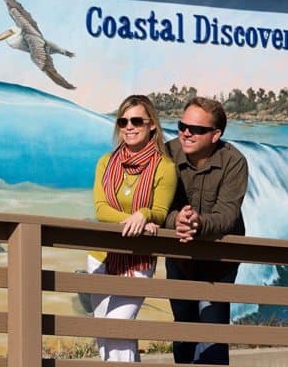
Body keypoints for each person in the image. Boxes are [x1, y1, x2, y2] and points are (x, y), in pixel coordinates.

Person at [89, 94, 177, 362]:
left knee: (117, 327)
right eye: (123, 120)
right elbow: (101, 209)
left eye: (137, 120)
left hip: (138, 261)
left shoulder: (165, 167)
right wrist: (135, 220)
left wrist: (145, 213)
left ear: (151, 125)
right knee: (107, 334)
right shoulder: (106, 162)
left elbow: (160, 213)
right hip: (100, 256)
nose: (129, 126)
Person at [164, 96, 248, 365]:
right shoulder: (166, 153)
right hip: (180, 259)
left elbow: (227, 215)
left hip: (218, 264)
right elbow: (155, 205)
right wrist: (176, 220)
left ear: (216, 135)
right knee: (184, 332)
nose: (187, 133)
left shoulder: (234, 161)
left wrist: (198, 224)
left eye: (197, 129)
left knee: (212, 335)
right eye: (182, 125)